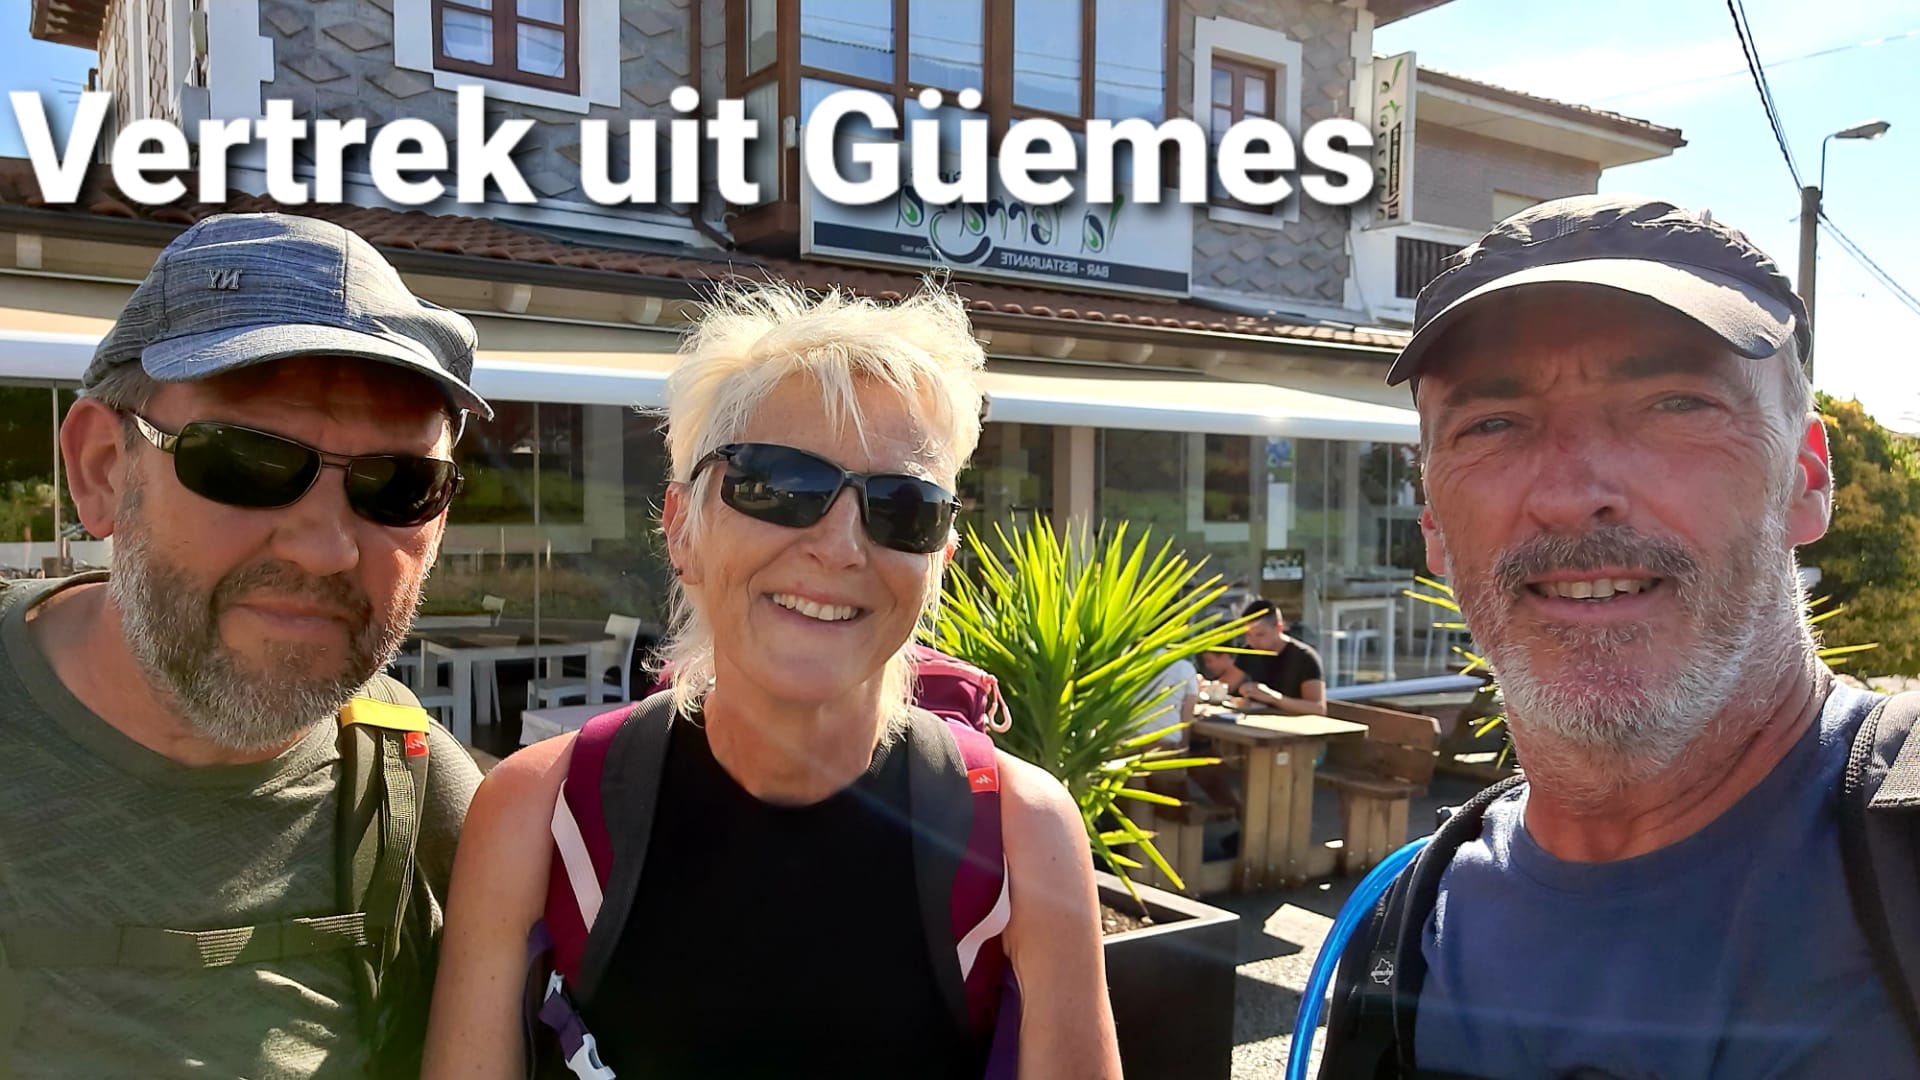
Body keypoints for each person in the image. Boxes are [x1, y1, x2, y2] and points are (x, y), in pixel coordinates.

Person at [423, 282, 1124, 1079]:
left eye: (903, 507)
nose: (840, 547)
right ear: (682, 527)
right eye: (780, 486)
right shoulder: (539, 816)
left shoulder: (1021, 834)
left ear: (938, 562)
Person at [1316, 193, 1920, 1077]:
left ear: (1805, 476)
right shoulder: (1401, 936)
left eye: (1675, 404)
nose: (1572, 495)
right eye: (1492, 424)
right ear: (1433, 521)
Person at [0, 213, 490, 1076]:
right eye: (247, 461)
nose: (325, 548)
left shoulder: (421, 795)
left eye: (400, 485)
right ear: (102, 469)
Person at [1233, 598, 1326, 713]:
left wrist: (1274, 698)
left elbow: (1318, 708)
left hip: (1294, 722)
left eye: (1260, 635)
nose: (1252, 641)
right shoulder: (1249, 651)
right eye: (1247, 635)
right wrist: (1215, 688)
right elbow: (1228, 683)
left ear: (1279, 628)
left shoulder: (1305, 657)